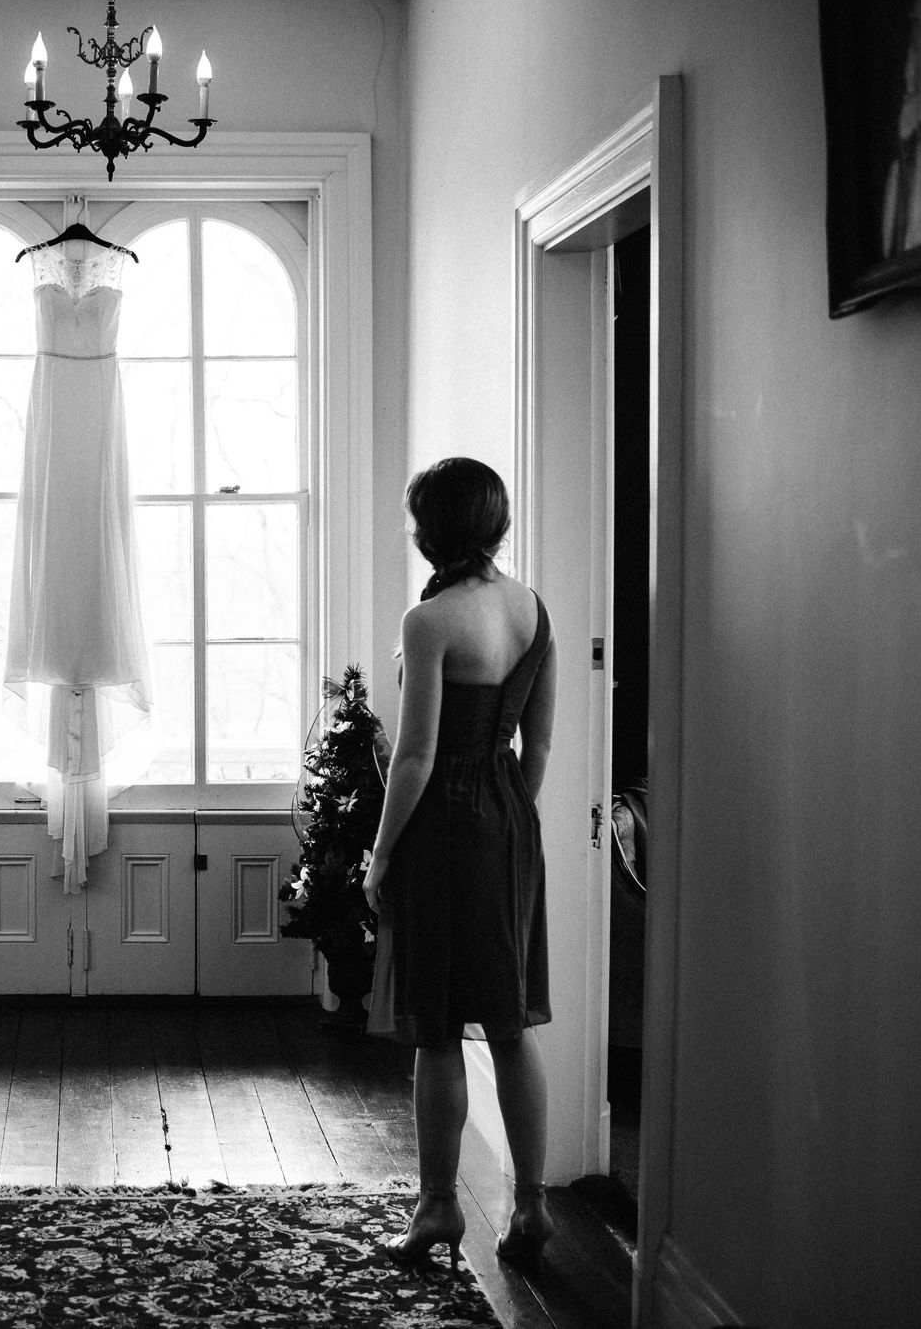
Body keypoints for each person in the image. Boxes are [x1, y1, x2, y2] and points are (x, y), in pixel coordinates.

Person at [362, 456, 557, 1270]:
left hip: (444, 831)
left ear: (430, 530)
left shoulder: (430, 620)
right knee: (509, 1026)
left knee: (438, 1029)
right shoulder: (532, 609)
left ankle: (439, 1206)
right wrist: (510, 814)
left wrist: (379, 858)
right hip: (511, 822)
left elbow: (414, 758)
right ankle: (534, 1209)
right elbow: (537, 741)